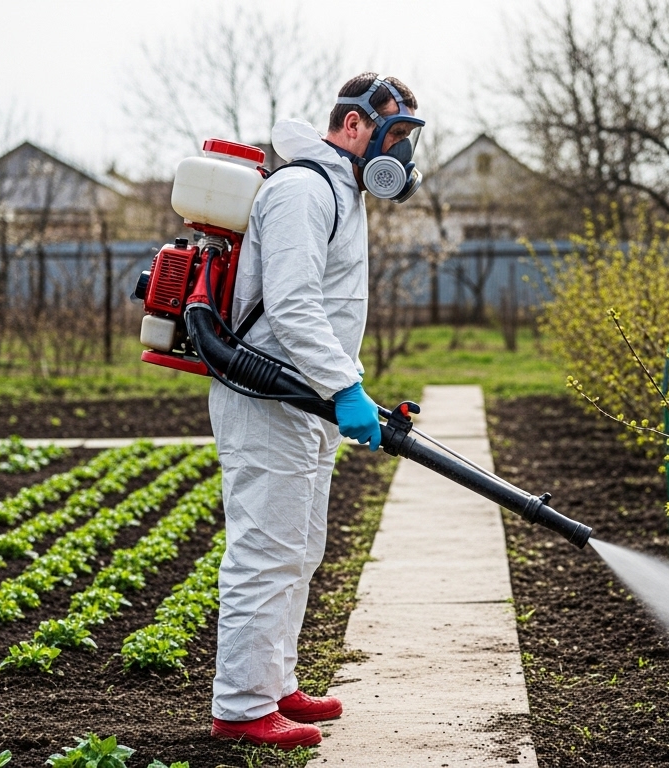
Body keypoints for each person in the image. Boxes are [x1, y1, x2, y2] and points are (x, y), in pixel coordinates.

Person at [209, 73, 424, 749]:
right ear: (355, 127)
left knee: (299, 549)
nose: (404, 155)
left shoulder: (341, 190)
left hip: (305, 400)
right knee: (265, 551)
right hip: (269, 396)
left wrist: (341, 390)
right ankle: (241, 708)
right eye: (396, 136)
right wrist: (346, 388)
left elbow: (325, 306)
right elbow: (296, 305)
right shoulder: (304, 188)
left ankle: (275, 685)